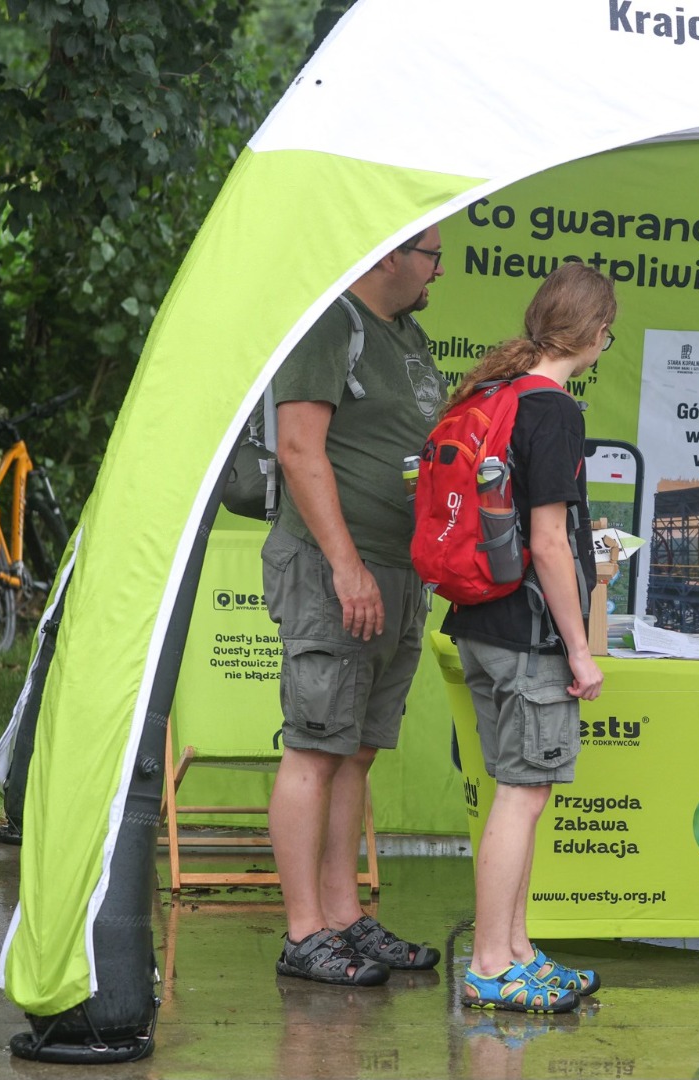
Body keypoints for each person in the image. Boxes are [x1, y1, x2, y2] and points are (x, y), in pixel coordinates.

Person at [264, 226, 447, 985]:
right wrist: (345, 567)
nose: (440, 266)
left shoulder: (408, 335)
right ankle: (304, 930)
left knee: (358, 749)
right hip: (338, 571)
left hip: (398, 573)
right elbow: (300, 449)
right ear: (387, 256)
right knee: (315, 745)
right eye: (431, 252)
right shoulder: (330, 325)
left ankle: (344, 918)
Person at [445, 262, 615, 1014]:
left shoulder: (496, 394)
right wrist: (579, 648)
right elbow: (547, 543)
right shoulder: (552, 409)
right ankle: (489, 965)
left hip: (478, 621)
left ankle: (515, 950)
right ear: (596, 333)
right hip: (528, 635)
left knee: (523, 791)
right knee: (521, 795)